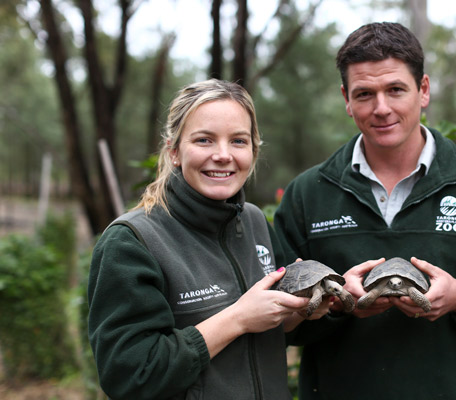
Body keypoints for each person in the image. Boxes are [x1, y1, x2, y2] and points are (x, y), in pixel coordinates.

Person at [273, 22, 456, 399]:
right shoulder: (308, 194)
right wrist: (337, 305)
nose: (381, 108)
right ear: (346, 98)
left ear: (423, 91)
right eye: (364, 94)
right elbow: (279, 322)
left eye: (395, 90)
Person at [87, 79, 330, 400]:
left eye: (239, 141)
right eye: (204, 140)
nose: (223, 155)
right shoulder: (132, 241)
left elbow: (275, 333)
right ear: (174, 151)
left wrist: (308, 308)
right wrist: (238, 318)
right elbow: (131, 375)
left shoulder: (256, 221)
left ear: (254, 151)